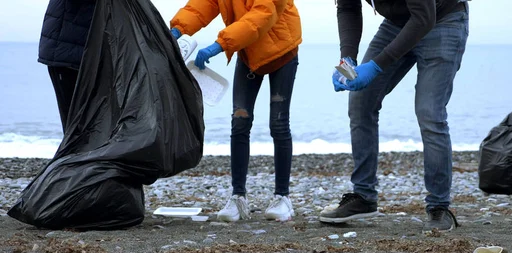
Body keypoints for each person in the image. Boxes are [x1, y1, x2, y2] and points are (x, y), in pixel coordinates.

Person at [319, 0, 469, 234]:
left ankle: (439, 207)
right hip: (397, 24)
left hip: (443, 20)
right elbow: (348, 7)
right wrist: (346, 59)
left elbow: (424, 18)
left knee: (429, 113)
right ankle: (363, 196)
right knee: (360, 103)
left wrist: (377, 66)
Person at [170, 0, 302, 222]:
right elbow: (203, 5)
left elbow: (262, 14)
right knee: (239, 122)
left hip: (281, 51)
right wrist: (178, 28)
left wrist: (220, 44)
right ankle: (238, 197)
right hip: (248, 52)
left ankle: (283, 197)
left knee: (278, 124)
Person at [38, 0, 96, 134]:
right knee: (74, 124)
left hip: (82, 54)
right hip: (65, 54)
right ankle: (73, 153)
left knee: (87, 122)